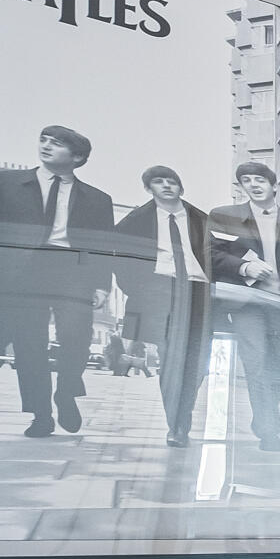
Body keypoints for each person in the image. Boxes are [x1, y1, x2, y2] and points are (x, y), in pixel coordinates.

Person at [0, 125, 118, 437]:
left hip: (72, 271)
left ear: (78, 157)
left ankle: (66, 391)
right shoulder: (3, 182)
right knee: (29, 344)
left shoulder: (98, 199)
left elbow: (102, 245)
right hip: (21, 272)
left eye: (56, 144)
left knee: (77, 337)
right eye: (43, 140)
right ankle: (40, 414)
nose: (45, 146)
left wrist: (101, 284)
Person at [207, 162, 280, 451]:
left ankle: (266, 406)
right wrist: (244, 267)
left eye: (260, 180)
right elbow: (210, 253)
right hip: (247, 304)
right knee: (256, 361)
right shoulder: (224, 217)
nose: (253, 184)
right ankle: (268, 428)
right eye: (246, 180)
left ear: (274, 185)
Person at [115, 166, 216, 447]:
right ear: (149, 189)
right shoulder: (134, 221)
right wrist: (139, 291)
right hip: (160, 291)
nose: (166, 186)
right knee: (172, 358)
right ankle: (178, 424)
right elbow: (120, 259)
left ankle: (183, 412)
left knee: (198, 361)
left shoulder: (201, 219)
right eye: (158, 182)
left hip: (198, 291)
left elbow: (217, 254)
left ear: (181, 188)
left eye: (172, 182)